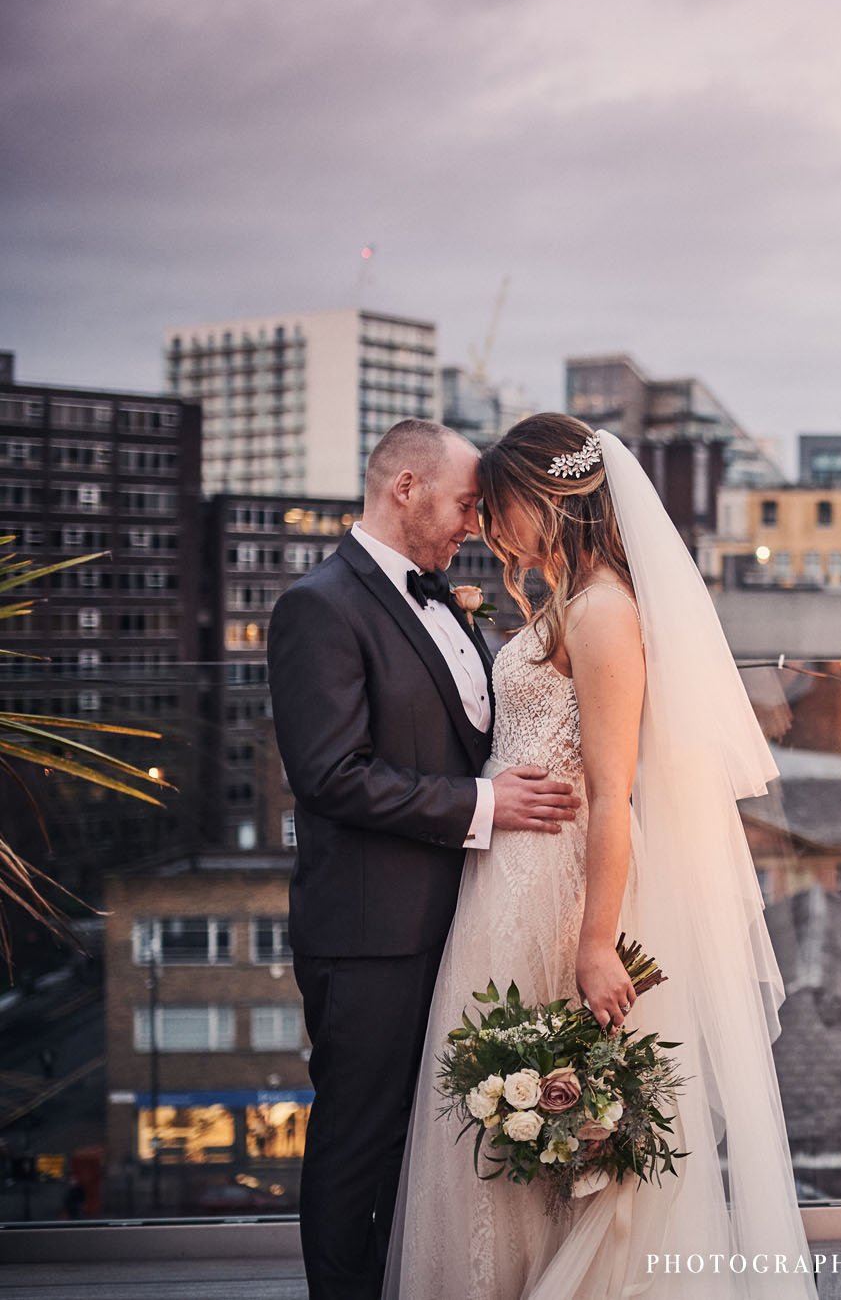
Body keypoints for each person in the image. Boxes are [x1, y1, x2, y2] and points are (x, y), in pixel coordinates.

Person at [385, 415, 815, 1299]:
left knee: (538, 1114)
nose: (490, 529)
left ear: (551, 500)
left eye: (501, 508)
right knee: (501, 1116)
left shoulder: (606, 610)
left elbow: (613, 792)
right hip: (506, 879)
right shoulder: (569, 602)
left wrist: (594, 944)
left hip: (555, 886)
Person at [270, 419, 582, 1300]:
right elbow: (332, 774)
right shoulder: (318, 607)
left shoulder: (445, 598)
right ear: (405, 487)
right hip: (370, 933)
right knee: (357, 1146)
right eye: (464, 504)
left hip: (461, 918)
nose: (474, 527)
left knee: (427, 1145)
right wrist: (487, 804)